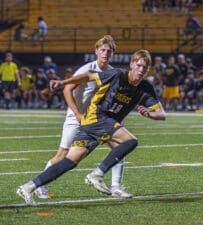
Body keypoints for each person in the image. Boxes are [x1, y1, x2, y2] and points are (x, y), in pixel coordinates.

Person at [17, 49, 166, 205]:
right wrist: (63, 82)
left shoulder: (145, 88)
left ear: (148, 70)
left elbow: (161, 114)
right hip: (98, 117)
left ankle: (28, 187)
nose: (141, 70)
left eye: (145, 67)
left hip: (97, 123)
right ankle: (98, 174)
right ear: (131, 65)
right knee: (130, 141)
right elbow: (88, 76)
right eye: (139, 65)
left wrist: (150, 115)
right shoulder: (117, 75)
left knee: (69, 162)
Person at [33, 35, 133, 199]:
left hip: (97, 119)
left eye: (109, 51)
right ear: (96, 51)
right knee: (63, 154)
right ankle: (40, 185)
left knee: (119, 147)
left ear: (113, 54)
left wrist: (117, 118)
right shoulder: (87, 69)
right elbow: (67, 89)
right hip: (76, 117)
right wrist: (78, 114)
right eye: (103, 50)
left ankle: (116, 188)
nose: (106, 53)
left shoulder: (113, 73)